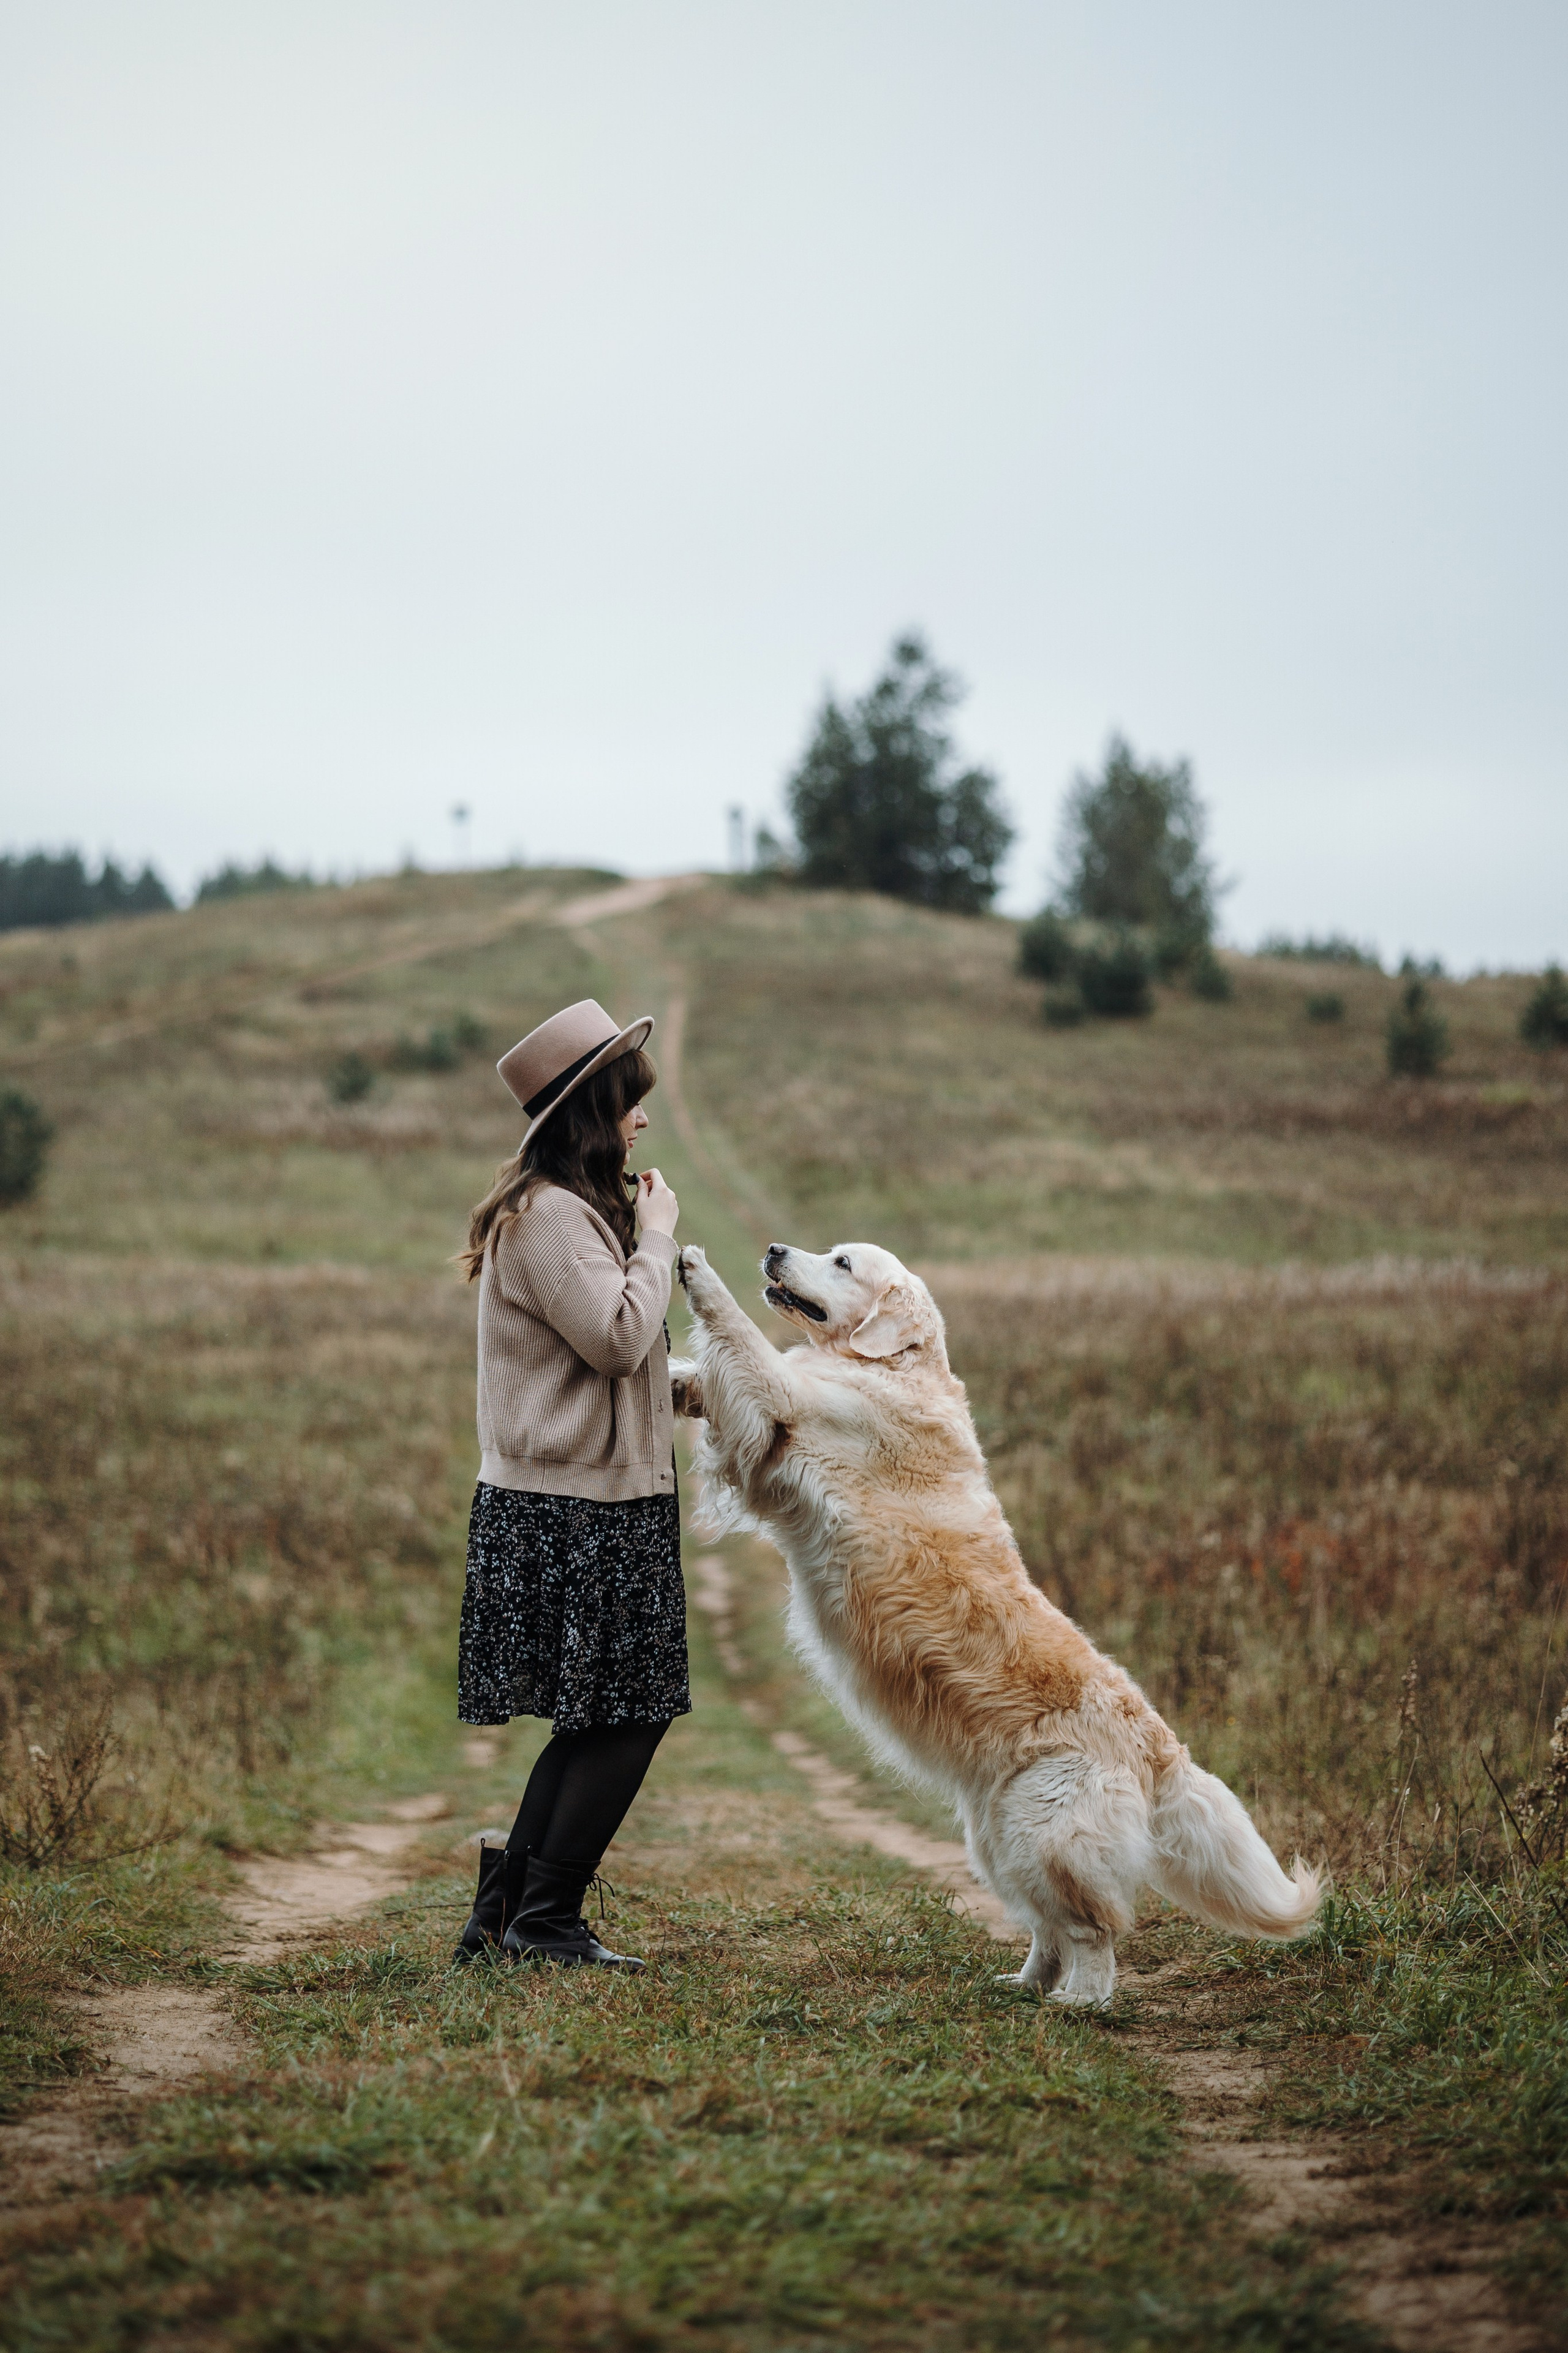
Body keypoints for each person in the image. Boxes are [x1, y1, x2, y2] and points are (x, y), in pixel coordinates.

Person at [452, 997, 686, 1970]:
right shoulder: (550, 1217)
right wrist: (660, 1234)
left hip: (583, 1501)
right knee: (627, 1714)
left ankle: (509, 1916)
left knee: (605, 1714)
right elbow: (617, 1336)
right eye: (630, 1102)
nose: (642, 1120)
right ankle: (540, 1919)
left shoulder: (565, 1212)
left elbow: (607, 1363)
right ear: (593, 1112)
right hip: (576, 1511)